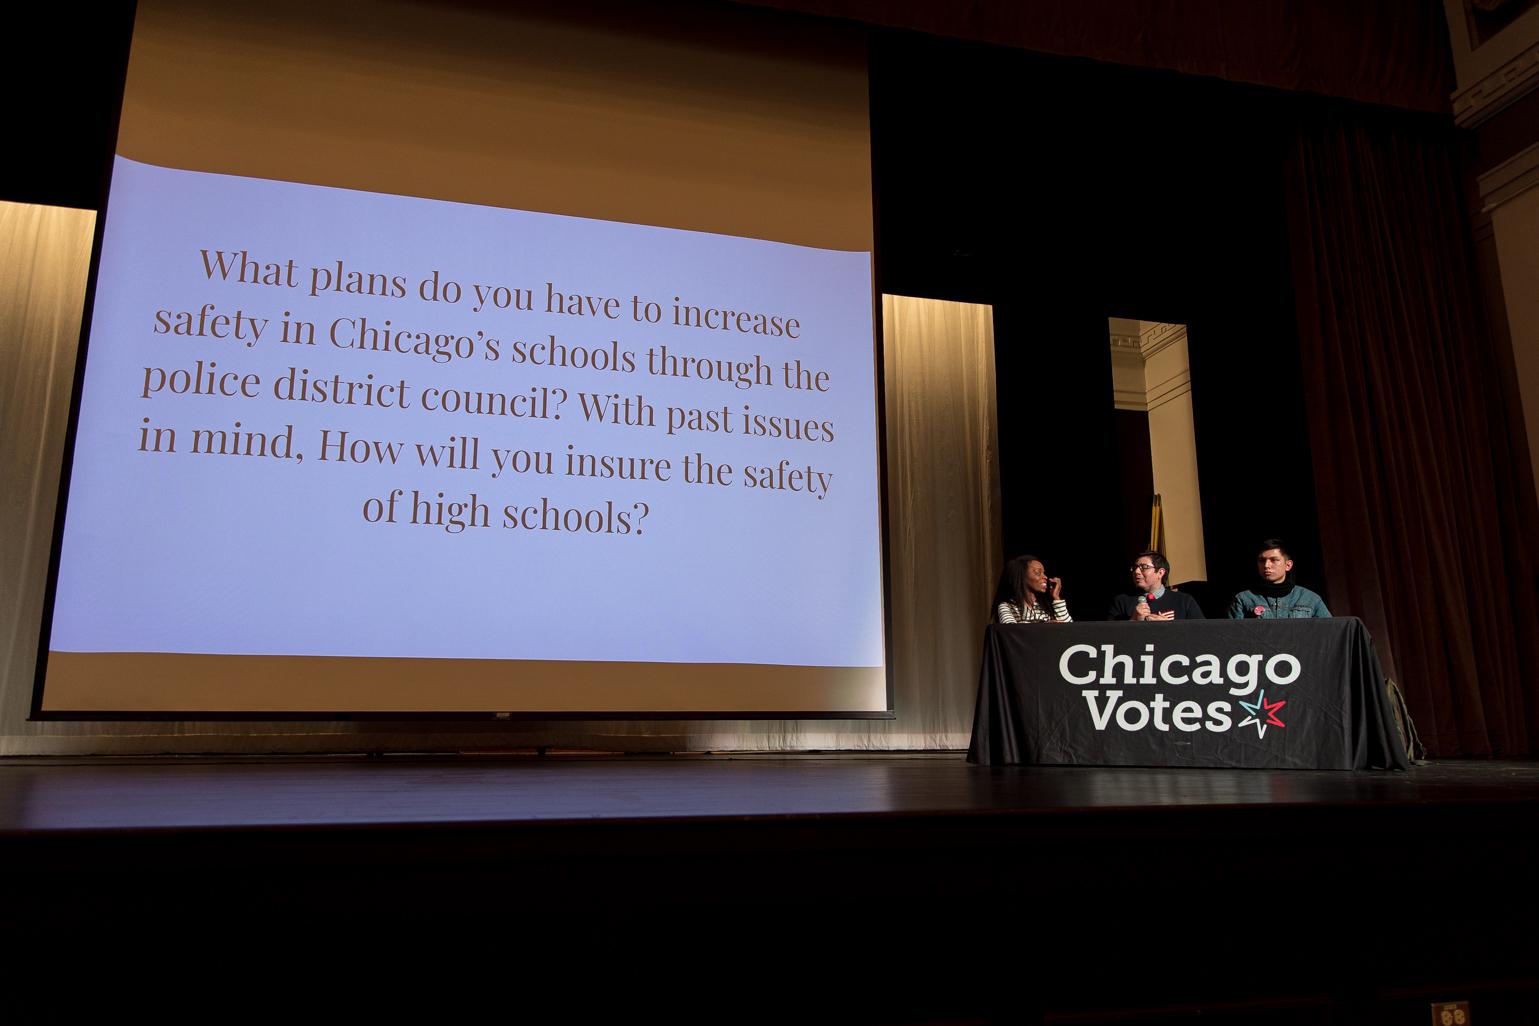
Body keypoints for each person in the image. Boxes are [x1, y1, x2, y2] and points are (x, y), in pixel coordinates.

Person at [1227, 538, 1331, 618]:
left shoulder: (1310, 599)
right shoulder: (1244, 599)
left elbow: (1329, 634)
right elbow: (1232, 637)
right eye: (1262, 560)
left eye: (1274, 560)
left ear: (1288, 565)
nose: (1267, 565)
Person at [1108, 550, 1204, 620]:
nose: (1136, 571)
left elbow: (1201, 634)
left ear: (1160, 573)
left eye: (1144, 567)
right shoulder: (1122, 601)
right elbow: (1108, 638)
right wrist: (1133, 620)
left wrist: (1170, 628)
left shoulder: (1184, 601)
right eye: (1135, 567)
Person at [993, 555, 1072, 623]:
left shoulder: (1045, 606)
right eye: (1038, 572)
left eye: (1044, 573)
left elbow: (1070, 630)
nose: (1045, 577)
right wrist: (1045, 626)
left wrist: (1057, 598)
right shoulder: (1008, 606)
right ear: (1022, 577)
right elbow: (1011, 632)